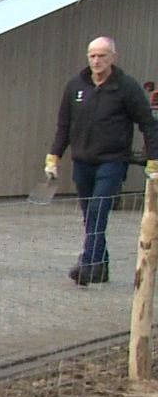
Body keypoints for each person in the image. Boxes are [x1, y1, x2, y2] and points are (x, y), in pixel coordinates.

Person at [44, 36, 158, 286]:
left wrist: (153, 160)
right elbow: (63, 126)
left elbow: (148, 124)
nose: (97, 60)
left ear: (113, 58)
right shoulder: (75, 87)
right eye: (92, 55)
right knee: (90, 215)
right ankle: (101, 266)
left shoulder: (126, 87)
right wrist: (54, 157)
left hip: (113, 161)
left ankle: (88, 264)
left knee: (98, 210)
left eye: (102, 55)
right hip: (83, 161)